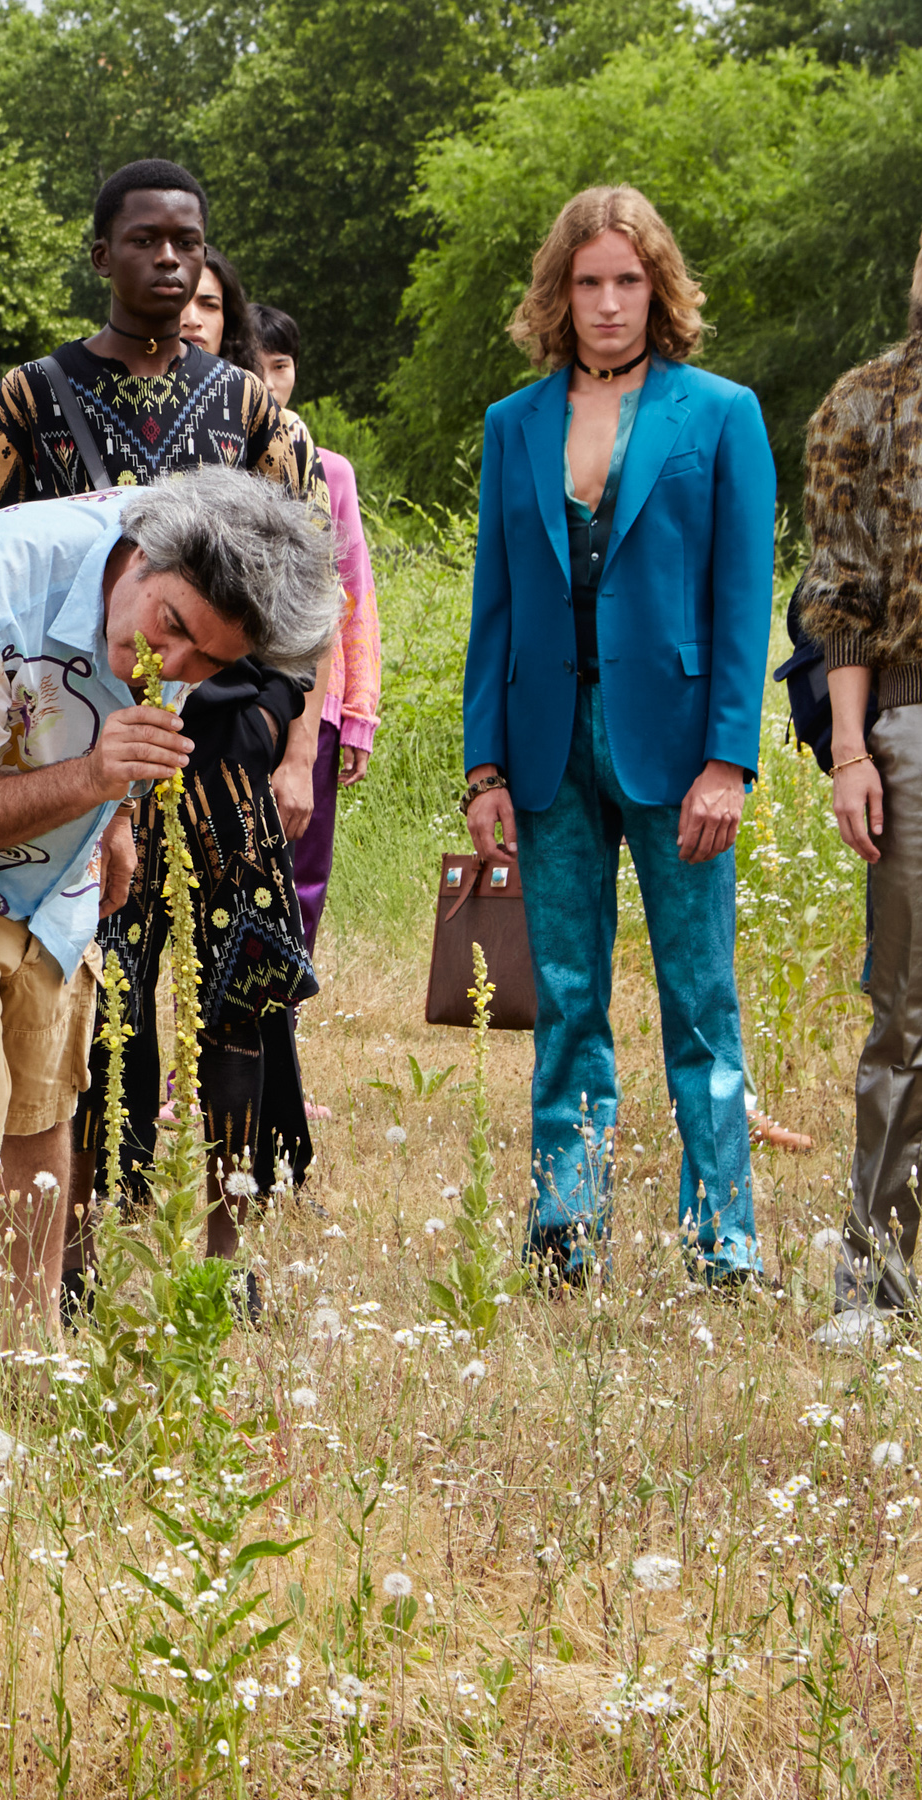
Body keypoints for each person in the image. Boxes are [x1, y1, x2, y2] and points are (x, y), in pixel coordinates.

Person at [0, 468, 335, 1416]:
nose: (167, 665)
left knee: (43, 1124)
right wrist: (95, 780)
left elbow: (129, 727)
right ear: (144, 554)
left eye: (204, 665)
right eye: (168, 629)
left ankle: (34, 1373)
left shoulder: (184, 618)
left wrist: (116, 821)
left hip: (58, 868)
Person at [0, 161, 322, 1300]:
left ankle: (223, 1240)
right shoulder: (27, 400)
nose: (172, 260)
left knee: (240, 983)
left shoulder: (253, 409)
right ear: (100, 252)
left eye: (189, 243)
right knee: (89, 992)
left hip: (216, 751)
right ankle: (75, 1244)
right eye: (148, 239)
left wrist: (267, 717)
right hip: (70, 752)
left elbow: (304, 588)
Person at [461, 185, 775, 1288]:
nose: (607, 303)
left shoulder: (721, 413)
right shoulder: (515, 423)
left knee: (700, 1001)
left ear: (660, 288)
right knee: (567, 997)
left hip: (680, 746)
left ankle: (724, 1240)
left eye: (627, 281)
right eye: (587, 282)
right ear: (560, 293)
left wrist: (730, 759)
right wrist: (482, 763)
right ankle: (566, 1232)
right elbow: (492, 600)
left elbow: (744, 600)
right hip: (547, 749)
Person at [801, 230, 922, 1345]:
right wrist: (851, 751)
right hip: (912, 716)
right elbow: (839, 591)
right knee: (908, 1016)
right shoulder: (867, 404)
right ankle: (878, 1279)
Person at [246, 302, 380, 954]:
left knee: (303, 871)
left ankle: (282, 1019)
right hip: (232, 697)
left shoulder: (331, 471)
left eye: (281, 365)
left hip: (314, 702)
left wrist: (357, 712)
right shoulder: (215, 462)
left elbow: (352, 595)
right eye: (255, 365)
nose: (270, 381)